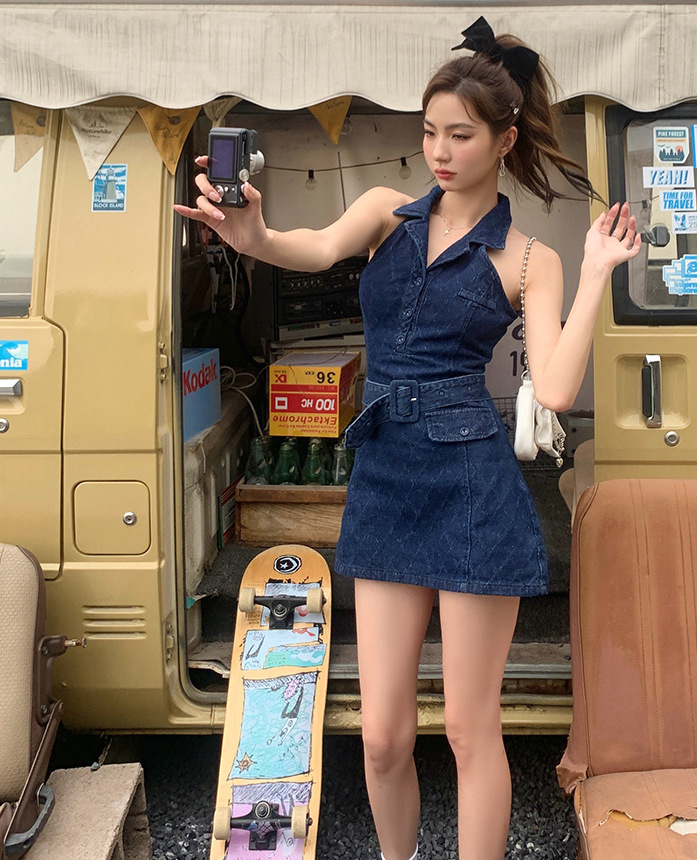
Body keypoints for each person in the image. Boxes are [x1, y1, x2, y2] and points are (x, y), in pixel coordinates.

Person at [175, 16, 640, 860]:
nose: (439, 151)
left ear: (503, 141)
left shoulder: (530, 259)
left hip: (471, 486)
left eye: (460, 135)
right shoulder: (384, 212)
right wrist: (256, 238)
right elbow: (314, 246)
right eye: (430, 132)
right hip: (387, 473)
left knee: (468, 727)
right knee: (383, 735)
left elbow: (556, 388)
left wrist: (599, 275)